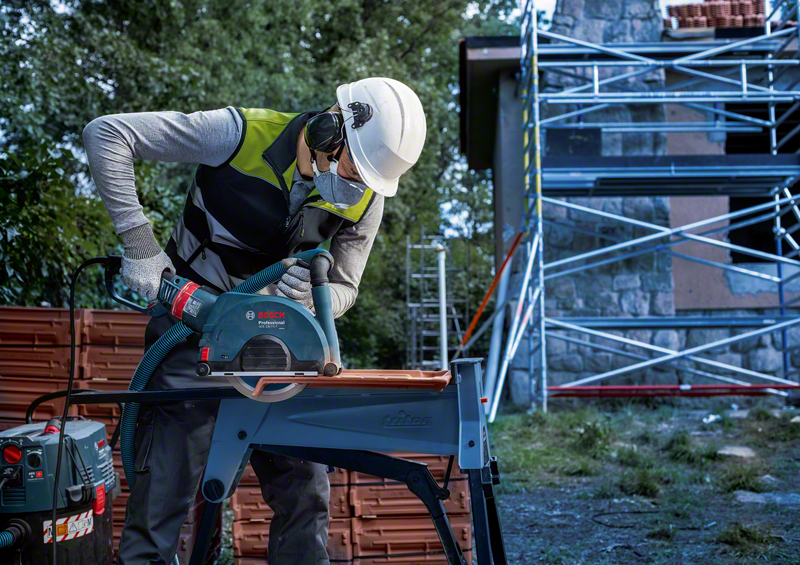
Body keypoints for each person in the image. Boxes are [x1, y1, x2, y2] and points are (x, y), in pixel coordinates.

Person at [83, 77, 426, 565]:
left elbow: (347, 286)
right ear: (331, 127)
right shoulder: (238, 135)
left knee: (306, 494)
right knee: (162, 500)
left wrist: (315, 300)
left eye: (367, 179)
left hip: (277, 349)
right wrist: (139, 242)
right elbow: (107, 133)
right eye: (353, 168)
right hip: (190, 336)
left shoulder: (368, 194)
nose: (355, 186)